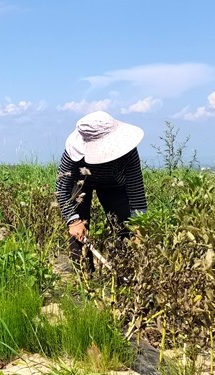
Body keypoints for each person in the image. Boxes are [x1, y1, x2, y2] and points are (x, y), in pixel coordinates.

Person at [55, 110, 148, 271]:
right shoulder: (73, 152)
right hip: (81, 184)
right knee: (78, 235)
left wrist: (139, 225)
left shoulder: (127, 149)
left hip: (115, 185)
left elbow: (136, 188)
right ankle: (84, 279)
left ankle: (124, 273)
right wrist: (73, 220)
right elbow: (61, 188)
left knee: (125, 228)